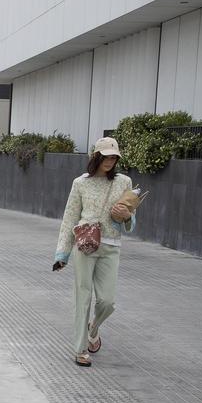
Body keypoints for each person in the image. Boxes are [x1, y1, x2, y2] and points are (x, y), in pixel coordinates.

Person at [52, 137, 136, 367]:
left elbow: (131, 217)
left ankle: (94, 328)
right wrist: (62, 253)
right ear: (96, 156)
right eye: (106, 156)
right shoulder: (80, 183)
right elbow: (70, 216)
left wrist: (127, 216)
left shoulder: (124, 182)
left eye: (113, 157)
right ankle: (80, 350)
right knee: (83, 297)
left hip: (111, 246)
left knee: (108, 301)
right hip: (85, 245)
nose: (109, 161)